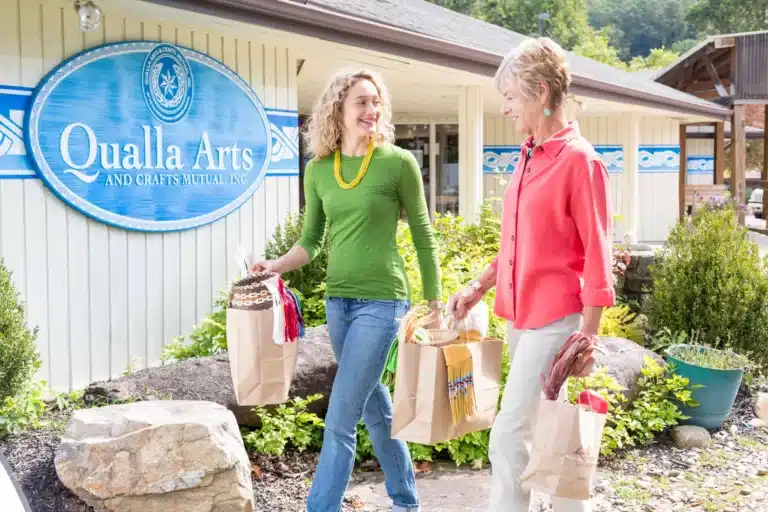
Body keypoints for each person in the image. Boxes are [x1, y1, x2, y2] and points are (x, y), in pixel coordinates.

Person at [250, 69, 441, 512]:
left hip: (385, 303)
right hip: (339, 304)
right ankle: (407, 501)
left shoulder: (397, 163)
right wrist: (273, 266)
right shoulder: (318, 170)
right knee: (375, 407)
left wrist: (434, 303)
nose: (371, 110)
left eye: (376, 102)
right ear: (338, 108)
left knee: (340, 418)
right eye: (361, 102)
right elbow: (311, 241)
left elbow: (424, 234)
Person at [446, 38, 615, 512]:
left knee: (507, 433)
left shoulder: (580, 161)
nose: (506, 109)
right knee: (549, 432)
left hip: (557, 322)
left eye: (512, 98)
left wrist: (588, 339)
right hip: (522, 319)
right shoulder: (528, 156)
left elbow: (598, 258)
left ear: (541, 93)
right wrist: (478, 288)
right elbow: (517, 249)